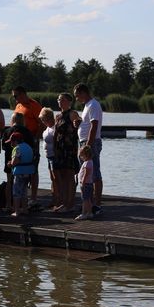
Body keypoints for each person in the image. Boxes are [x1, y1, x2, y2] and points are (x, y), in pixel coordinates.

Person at [73, 83, 103, 216]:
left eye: (77, 95)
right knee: (87, 172)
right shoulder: (87, 106)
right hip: (85, 141)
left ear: (83, 92)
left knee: (94, 172)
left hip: (91, 143)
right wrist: (79, 123)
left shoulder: (93, 105)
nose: (76, 98)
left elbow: (94, 125)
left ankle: (96, 204)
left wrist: (88, 145)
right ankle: (89, 204)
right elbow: (88, 123)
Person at [12, 86, 43, 208]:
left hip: (31, 141)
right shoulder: (18, 106)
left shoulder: (34, 105)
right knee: (20, 168)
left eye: (16, 95)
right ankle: (21, 197)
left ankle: (33, 197)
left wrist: (36, 138)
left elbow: (41, 123)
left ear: (23, 94)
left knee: (33, 168)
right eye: (13, 96)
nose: (15, 98)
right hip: (19, 143)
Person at [1, 112, 34, 212]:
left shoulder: (7, 131)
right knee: (23, 187)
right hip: (25, 163)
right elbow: (31, 145)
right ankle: (23, 207)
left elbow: (3, 147)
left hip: (10, 159)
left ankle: (8, 205)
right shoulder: (27, 131)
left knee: (10, 182)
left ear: (13, 120)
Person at [53, 93, 80, 212]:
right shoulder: (58, 116)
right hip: (60, 149)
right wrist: (54, 148)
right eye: (59, 99)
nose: (60, 101)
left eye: (62, 100)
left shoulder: (72, 113)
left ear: (69, 102)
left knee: (70, 176)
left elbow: (78, 121)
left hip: (69, 149)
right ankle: (64, 203)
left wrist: (77, 122)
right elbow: (55, 133)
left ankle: (70, 204)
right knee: (62, 176)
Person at [6, 132, 34, 217]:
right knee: (24, 192)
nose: (11, 143)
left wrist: (10, 163)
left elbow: (15, 161)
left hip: (19, 172)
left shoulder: (17, 148)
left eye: (12, 141)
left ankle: (17, 211)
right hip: (28, 172)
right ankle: (25, 210)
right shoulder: (28, 147)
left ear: (16, 141)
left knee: (16, 192)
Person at [39, 107, 59, 208]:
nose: (42, 121)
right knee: (52, 179)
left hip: (54, 156)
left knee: (56, 178)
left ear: (48, 118)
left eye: (43, 119)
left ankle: (58, 200)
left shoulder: (55, 127)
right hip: (48, 156)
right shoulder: (47, 128)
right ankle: (54, 199)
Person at [75, 146, 94, 221]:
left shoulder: (87, 163)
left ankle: (83, 213)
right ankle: (89, 212)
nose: (81, 157)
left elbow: (86, 173)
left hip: (85, 184)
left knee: (85, 200)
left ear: (86, 155)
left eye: (82, 155)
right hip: (89, 183)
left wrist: (83, 182)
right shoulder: (90, 162)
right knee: (88, 199)